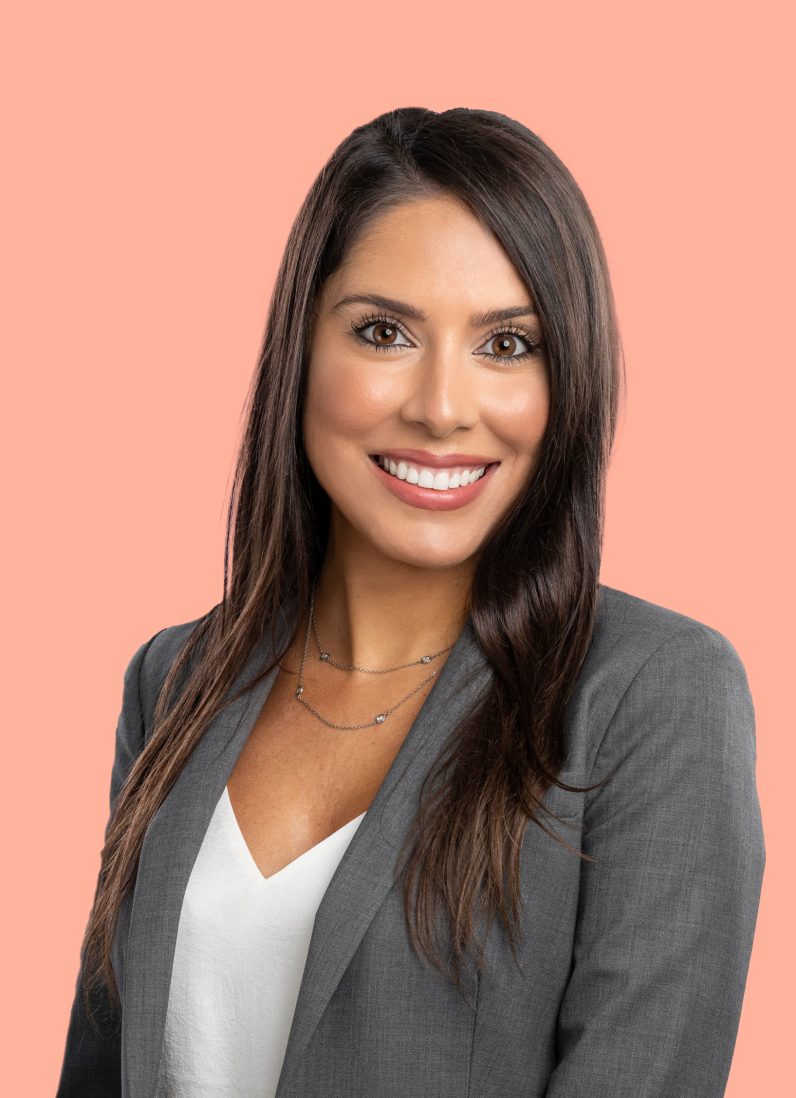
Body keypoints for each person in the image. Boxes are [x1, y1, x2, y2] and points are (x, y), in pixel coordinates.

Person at [56, 107, 766, 1098]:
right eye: (384, 332)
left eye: (507, 344)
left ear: (569, 381)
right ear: (303, 350)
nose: (440, 407)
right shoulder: (174, 679)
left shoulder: (652, 693)